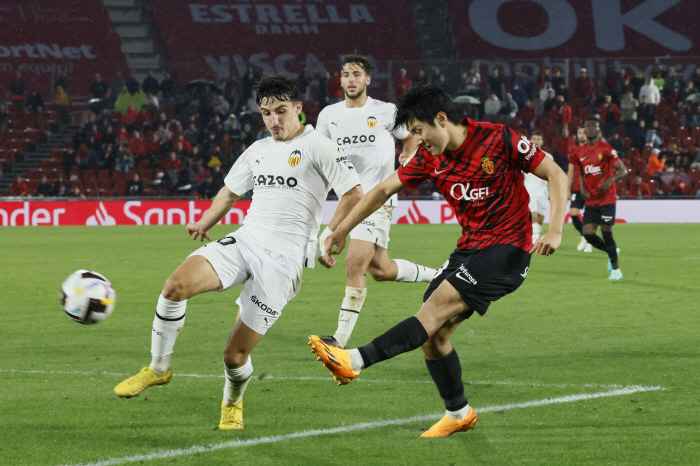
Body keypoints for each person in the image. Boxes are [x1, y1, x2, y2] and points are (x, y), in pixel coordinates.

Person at [309, 84, 568, 437]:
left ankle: (352, 360)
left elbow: (555, 173)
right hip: (469, 249)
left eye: (418, 131)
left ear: (441, 120)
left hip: (508, 250)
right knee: (434, 336)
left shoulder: (499, 139)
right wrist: (340, 229)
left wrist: (555, 229)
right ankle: (459, 412)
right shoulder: (429, 159)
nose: (416, 140)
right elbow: (383, 190)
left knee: (432, 312)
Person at [113, 74, 363, 430]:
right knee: (174, 287)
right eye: (266, 113)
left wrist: (332, 233)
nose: (274, 121)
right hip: (246, 241)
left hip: (283, 262)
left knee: (234, 356)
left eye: (281, 111)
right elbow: (229, 193)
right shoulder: (258, 150)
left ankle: (232, 404)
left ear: (298, 109)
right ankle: (158, 367)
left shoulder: (318, 146)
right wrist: (204, 221)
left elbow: (354, 193)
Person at [315, 54, 436, 349]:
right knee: (380, 269)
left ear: (368, 79)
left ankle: (339, 340)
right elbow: (318, 154)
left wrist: (407, 155)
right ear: (340, 80)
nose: (351, 79)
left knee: (354, 263)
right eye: (346, 74)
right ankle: (439, 275)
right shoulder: (328, 116)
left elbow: (411, 136)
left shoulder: (385, 111)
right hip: (349, 199)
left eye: (357, 73)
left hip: (379, 195)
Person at [570, 117, 628, 280]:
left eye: (593, 126)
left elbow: (623, 170)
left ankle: (616, 270)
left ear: (598, 130)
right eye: (586, 126)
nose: (589, 129)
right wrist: (582, 188)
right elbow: (581, 171)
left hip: (607, 200)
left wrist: (610, 180)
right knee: (587, 233)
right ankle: (611, 251)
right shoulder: (578, 152)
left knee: (606, 232)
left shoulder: (607, 149)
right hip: (591, 200)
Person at [524, 132, 554, 242]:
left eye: (538, 139)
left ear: (542, 141)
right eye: (534, 138)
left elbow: (552, 173)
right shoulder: (524, 155)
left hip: (543, 191)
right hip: (529, 190)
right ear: (530, 140)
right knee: (533, 216)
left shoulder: (548, 157)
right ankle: (534, 239)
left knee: (540, 219)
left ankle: (535, 234)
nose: (536, 141)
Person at [568, 126, 589, 251]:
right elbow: (570, 172)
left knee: (589, 216)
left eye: (584, 133)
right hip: (577, 188)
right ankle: (584, 236)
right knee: (574, 214)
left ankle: (590, 241)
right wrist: (567, 189)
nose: (581, 135)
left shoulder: (594, 150)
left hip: (591, 189)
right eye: (579, 132)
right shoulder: (574, 151)